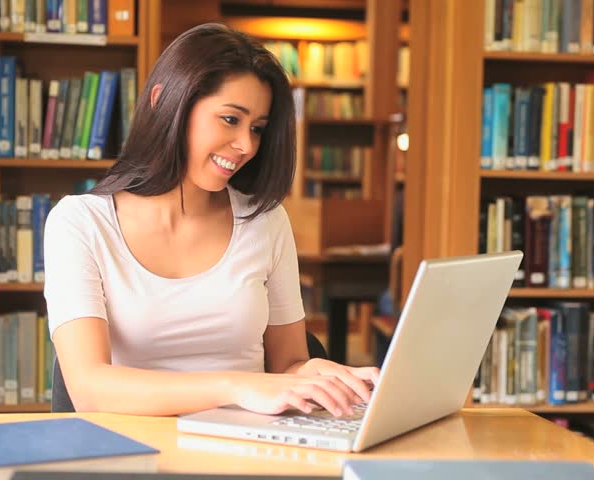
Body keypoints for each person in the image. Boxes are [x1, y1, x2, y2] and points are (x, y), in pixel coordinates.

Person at [44, 22, 379, 418]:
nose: (246, 146)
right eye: (230, 119)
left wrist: (319, 375)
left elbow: (288, 362)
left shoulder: (266, 221)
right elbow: (90, 389)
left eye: (257, 128)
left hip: (250, 451)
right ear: (163, 102)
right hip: (134, 453)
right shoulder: (80, 224)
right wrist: (238, 384)